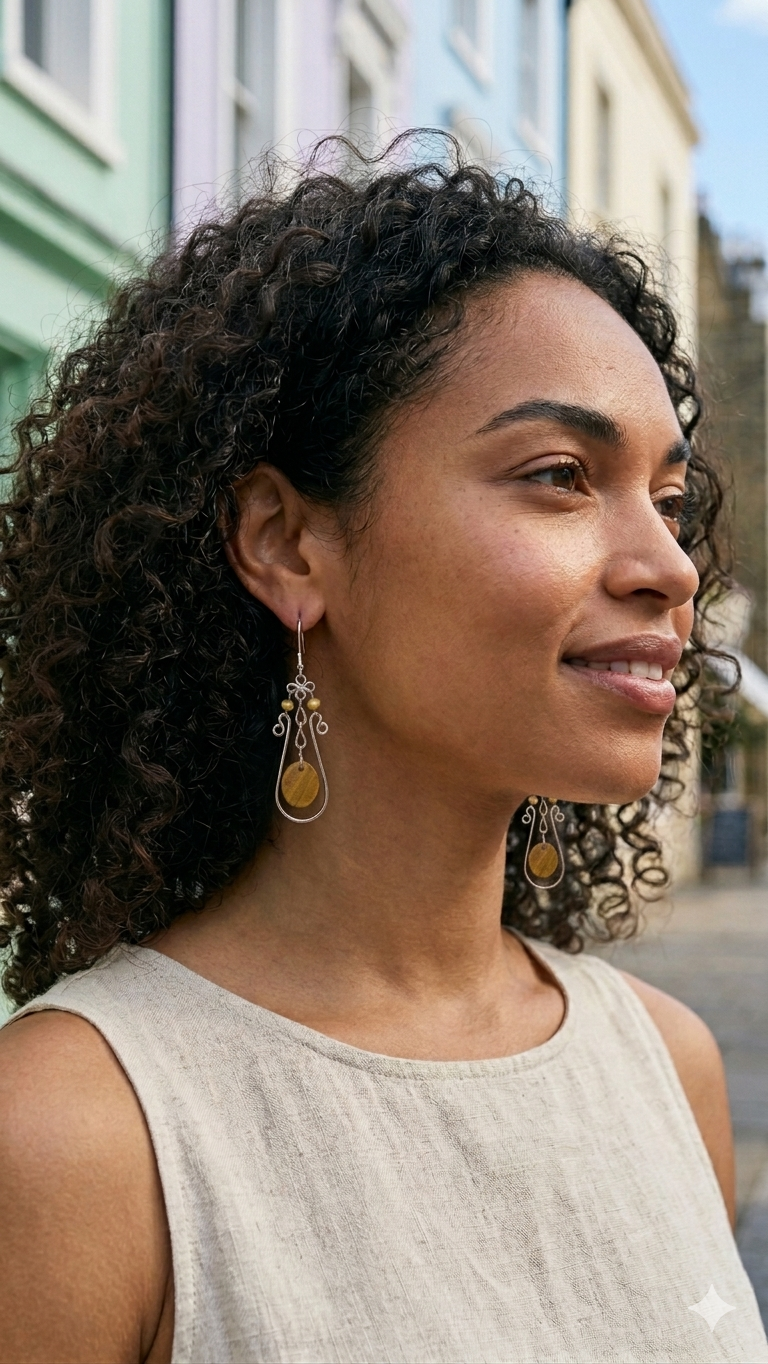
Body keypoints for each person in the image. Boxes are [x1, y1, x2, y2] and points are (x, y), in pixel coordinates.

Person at [0, 139, 765, 1364]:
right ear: (289, 546)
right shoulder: (79, 1133)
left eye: (670, 501)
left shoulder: (671, 1068)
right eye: (562, 475)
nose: (671, 565)